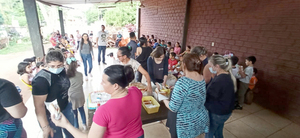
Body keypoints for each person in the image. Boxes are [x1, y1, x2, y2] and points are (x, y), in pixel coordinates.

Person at [51, 65, 145, 138]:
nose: (101, 83)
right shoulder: (136, 91)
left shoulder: (104, 111)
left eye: (104, 82)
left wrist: (66, 124)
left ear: (115, 86)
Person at [163, 54, 209, 138]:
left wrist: (164, 99)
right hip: (197, 117)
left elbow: (173, 107)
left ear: (184, 65)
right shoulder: (201, 77)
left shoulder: (183, 82)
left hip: (184, 122)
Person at [32, 49, 74, 138]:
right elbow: (39, 106)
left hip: (65, 107)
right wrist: (45, 126)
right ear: (46, 64)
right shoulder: (41, 80)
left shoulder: (62, 70)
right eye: (52, 66)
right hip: (50, 115)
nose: (56, 68)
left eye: (59, 65)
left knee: (71, 134)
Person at [204, 55, 236, 138]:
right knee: (218, 132)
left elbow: (210, 96)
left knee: (209, 133)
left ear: (217, 66)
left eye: (211, 66)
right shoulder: (227, 75)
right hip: (225, 111)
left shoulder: (219, 80)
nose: (210, 68)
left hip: (217, 112)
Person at [66, 57, 87, 131]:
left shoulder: (66, 76)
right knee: (81, 109)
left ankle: (76, 126)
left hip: (71, 96)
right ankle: (84, 124)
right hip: (80, 94)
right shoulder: (80, 74)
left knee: (74, 112)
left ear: (67, 65)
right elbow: (81, 83)